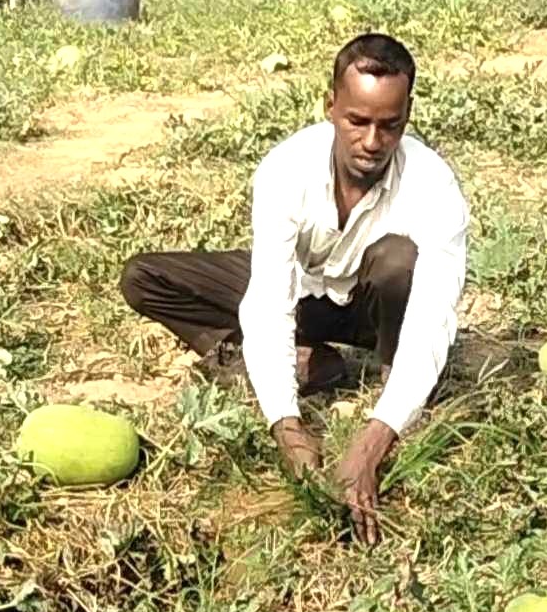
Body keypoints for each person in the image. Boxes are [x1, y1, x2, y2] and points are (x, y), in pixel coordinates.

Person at [120, 33, 470, 544]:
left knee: (401, 261)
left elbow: (434, 316)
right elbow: (269, 300)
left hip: (369, 310)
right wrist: (288, 429)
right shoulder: (286, 170)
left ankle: (390, 378)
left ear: (408, 114)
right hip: (305, 293)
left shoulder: (433, 185)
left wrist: (370, 447)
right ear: (331, 106)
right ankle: (272, 360)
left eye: (389, 125)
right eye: (357, 121)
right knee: (144, 277)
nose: (372, 142)